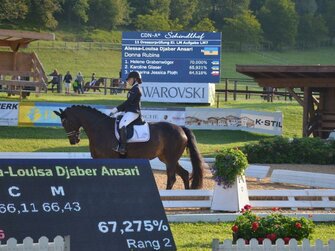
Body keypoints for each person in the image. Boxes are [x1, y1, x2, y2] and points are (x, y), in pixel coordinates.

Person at [109, 71, 143, 154]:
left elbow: (128, 102)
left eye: (130, 79)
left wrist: (116, 109)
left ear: (135, 79)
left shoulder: (136, 89)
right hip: (129, 111)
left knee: (122, 124)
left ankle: (122, 147)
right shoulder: (134, 88)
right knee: (117, 120)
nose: (128, 81)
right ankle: (118, 143)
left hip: (134, 112)